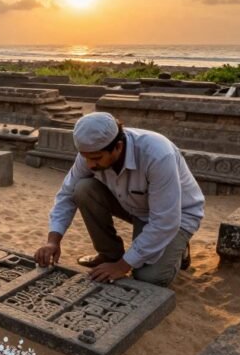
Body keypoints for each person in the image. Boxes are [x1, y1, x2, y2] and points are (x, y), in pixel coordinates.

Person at [34, 112, 204, 287]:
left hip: (178, 215)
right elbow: (67, 194)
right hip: (135, 206)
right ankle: (109, 255)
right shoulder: (91, 151)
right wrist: (53, 242)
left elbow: (165, 220)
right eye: (86, 158)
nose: (90, 165)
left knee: (150, 277)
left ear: (118, 147)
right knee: (83, 189)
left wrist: (122, 266)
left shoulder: (158, 155)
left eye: (96, 159)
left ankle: (180, 248)